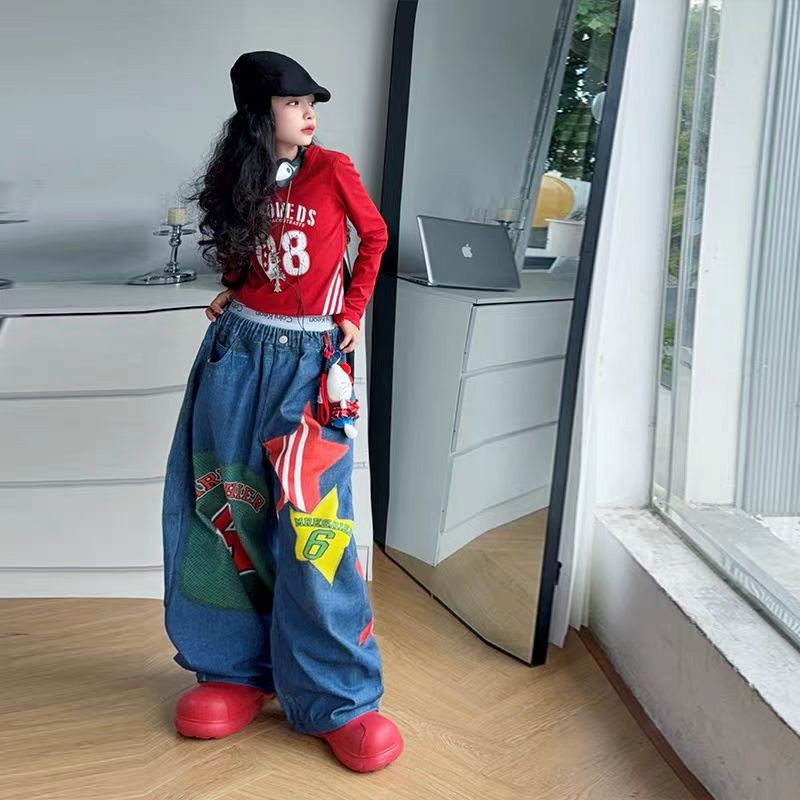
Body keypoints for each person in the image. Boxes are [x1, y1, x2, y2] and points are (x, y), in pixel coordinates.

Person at [160, 50, 403, 773]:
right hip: (238, 353)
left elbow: (374, 237)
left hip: (311, 362)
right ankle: (233, 670)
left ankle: (337, 696)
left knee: (316, 524)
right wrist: (236, 287)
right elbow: (245, 246)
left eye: (311, 103)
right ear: (259, 113)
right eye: (295, 103)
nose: (309, 114)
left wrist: (353, 311)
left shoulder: (334, 170)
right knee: (226, 506)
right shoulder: (238, 174)